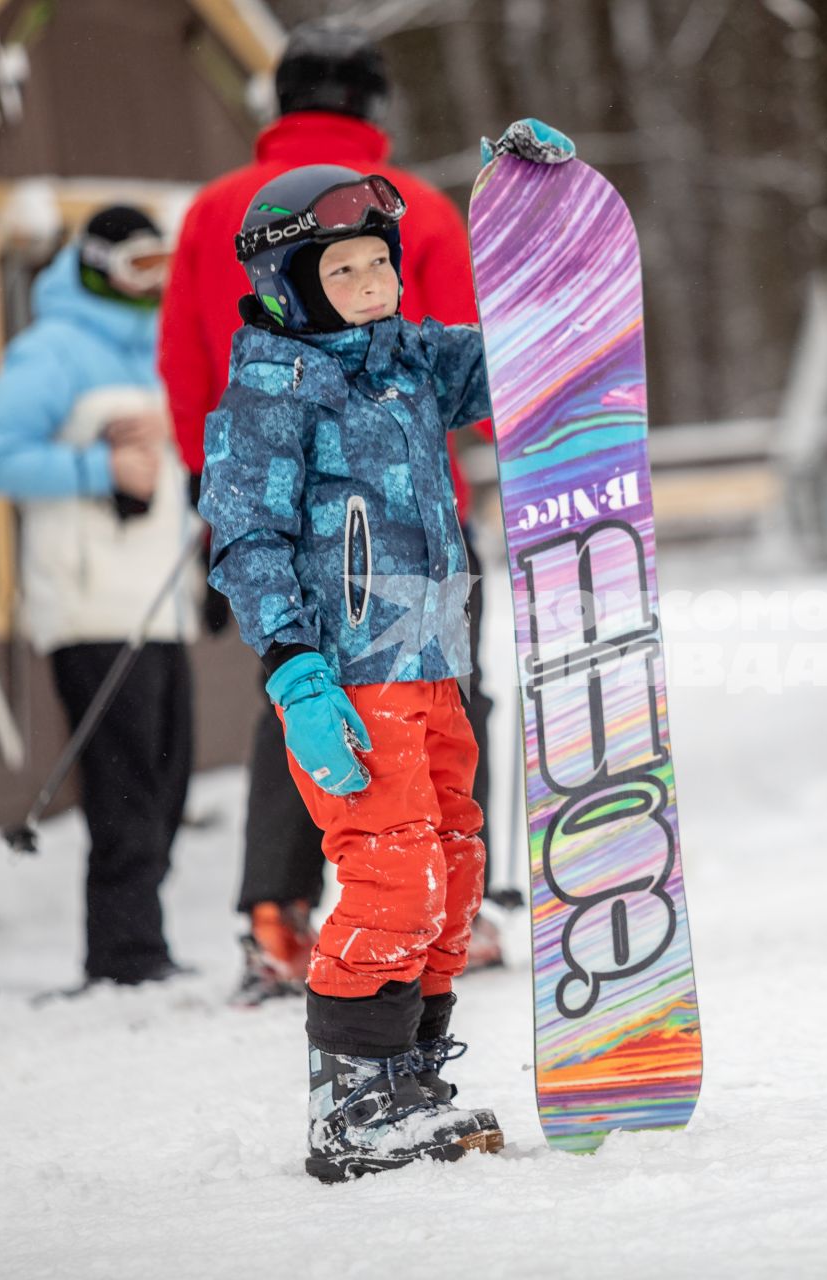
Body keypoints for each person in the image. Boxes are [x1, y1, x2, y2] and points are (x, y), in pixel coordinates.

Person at [197, 138, 571, 1178]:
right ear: (289, 285)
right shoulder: (274, 393)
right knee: (391, 873)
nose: (370, 285)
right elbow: (246, 538)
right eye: (342, 271)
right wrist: (293, 670)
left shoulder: (408, 359)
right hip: (348, 673)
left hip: (435, 660)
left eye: (379, 263)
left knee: (452, 873)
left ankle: (409, 1073)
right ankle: (350, 1102)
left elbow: (516, 357)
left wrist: (539, 215)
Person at [158, 19, 504, 1005]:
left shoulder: (210, 211)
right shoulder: (420, 210)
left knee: (319, 710)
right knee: (353, 709)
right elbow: (484, 317)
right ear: (374, 104)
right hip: (392, 523)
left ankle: (277, 907)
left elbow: (188, 354)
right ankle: (385, 981)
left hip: (283, 510)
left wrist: (209, 486)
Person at [0, 206, 198, 986]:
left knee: (168, 784)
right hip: (90, 606)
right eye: (137, 266)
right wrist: (97, 470)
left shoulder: (160, 348)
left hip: (157, 606)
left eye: (161, 266)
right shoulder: (54, 350)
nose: (151, 284)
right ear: (99, 262)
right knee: (126, 784)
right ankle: (126, 953)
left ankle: (143, 942)